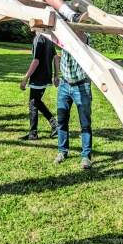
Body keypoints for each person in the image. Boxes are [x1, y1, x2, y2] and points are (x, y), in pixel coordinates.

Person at [55, 31, 93, 169]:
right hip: (64, 84)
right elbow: (52, 38)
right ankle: (62, 151)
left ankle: (86, 156)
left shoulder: (84, 35)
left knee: (85, 123)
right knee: (61, 120)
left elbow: (82, 36)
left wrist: (71, 26)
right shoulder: (62, 34)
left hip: (81, 85)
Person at [19, 32, 59, 140]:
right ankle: (47, 127)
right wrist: (56, 75)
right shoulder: (48, 38)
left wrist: (25, 79)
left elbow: (36, 61)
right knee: (36, 101)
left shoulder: (38, 38)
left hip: (38, 77)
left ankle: (35, 133)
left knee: (33, 102)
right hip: (46, 76)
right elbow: (56, 57)